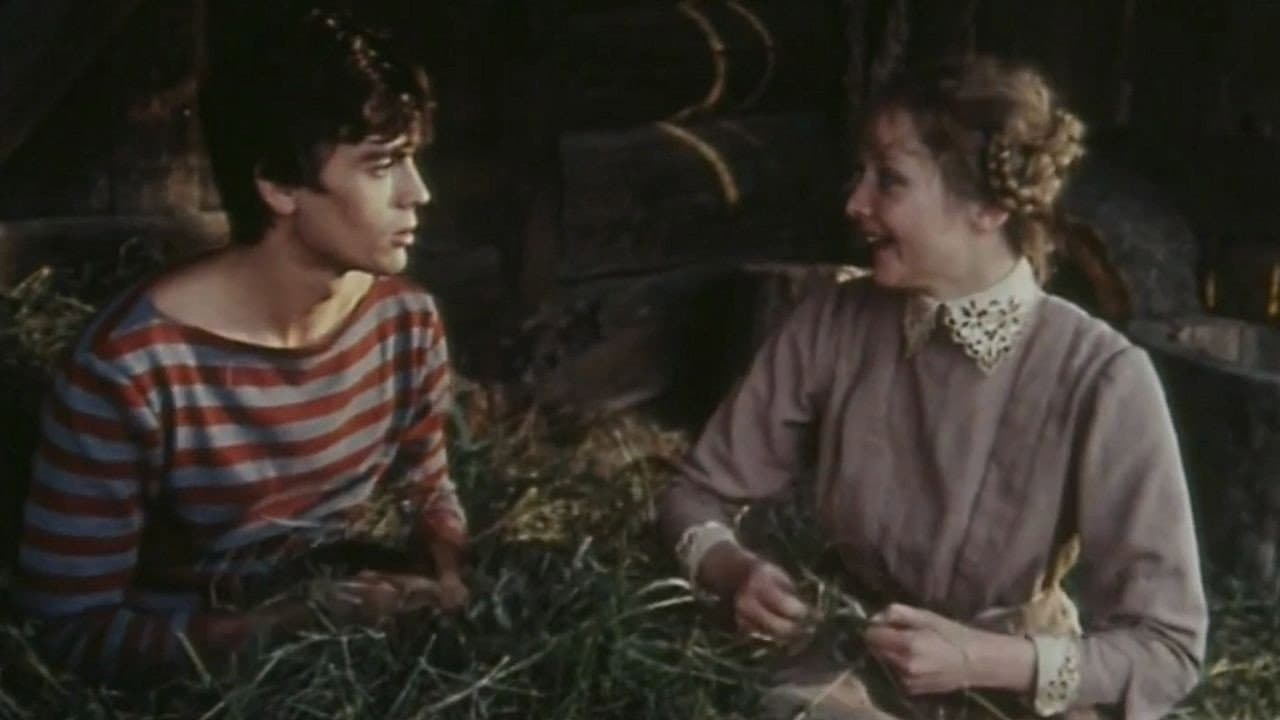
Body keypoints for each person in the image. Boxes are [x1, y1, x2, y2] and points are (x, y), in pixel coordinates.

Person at [660, 56, 1207, 719]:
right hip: (848, 666)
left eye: (888, 181)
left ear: (988, 208)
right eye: (860, 174)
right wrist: (734, 571)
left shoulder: (1101, 377)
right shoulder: (833, 320)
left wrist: (979, 659)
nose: (855, 204)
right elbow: (697, 490)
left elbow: (1168, 647)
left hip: (1019, 689)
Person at [16, 4, 468, 679]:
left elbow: (424, 484)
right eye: (382, 166)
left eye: (413, 161)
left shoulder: (403, 323)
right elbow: (65, 631)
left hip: (344, 652)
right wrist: (272, 631)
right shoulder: (131, 371)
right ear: (279, 184)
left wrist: (445, 567)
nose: (419, 193)